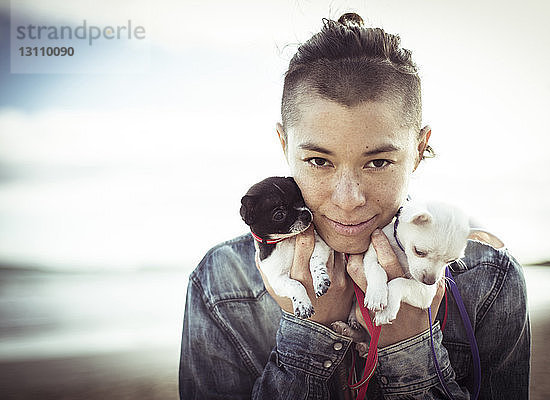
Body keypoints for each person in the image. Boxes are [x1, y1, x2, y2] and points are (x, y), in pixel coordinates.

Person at [179, 13, 530, 400]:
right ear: (284, 145)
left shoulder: (489, 280)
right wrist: (310, 335)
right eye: (318, 161)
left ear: (418, 149)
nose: (348, 200)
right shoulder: (220, 283)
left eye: (378, 162)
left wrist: (411, 346)